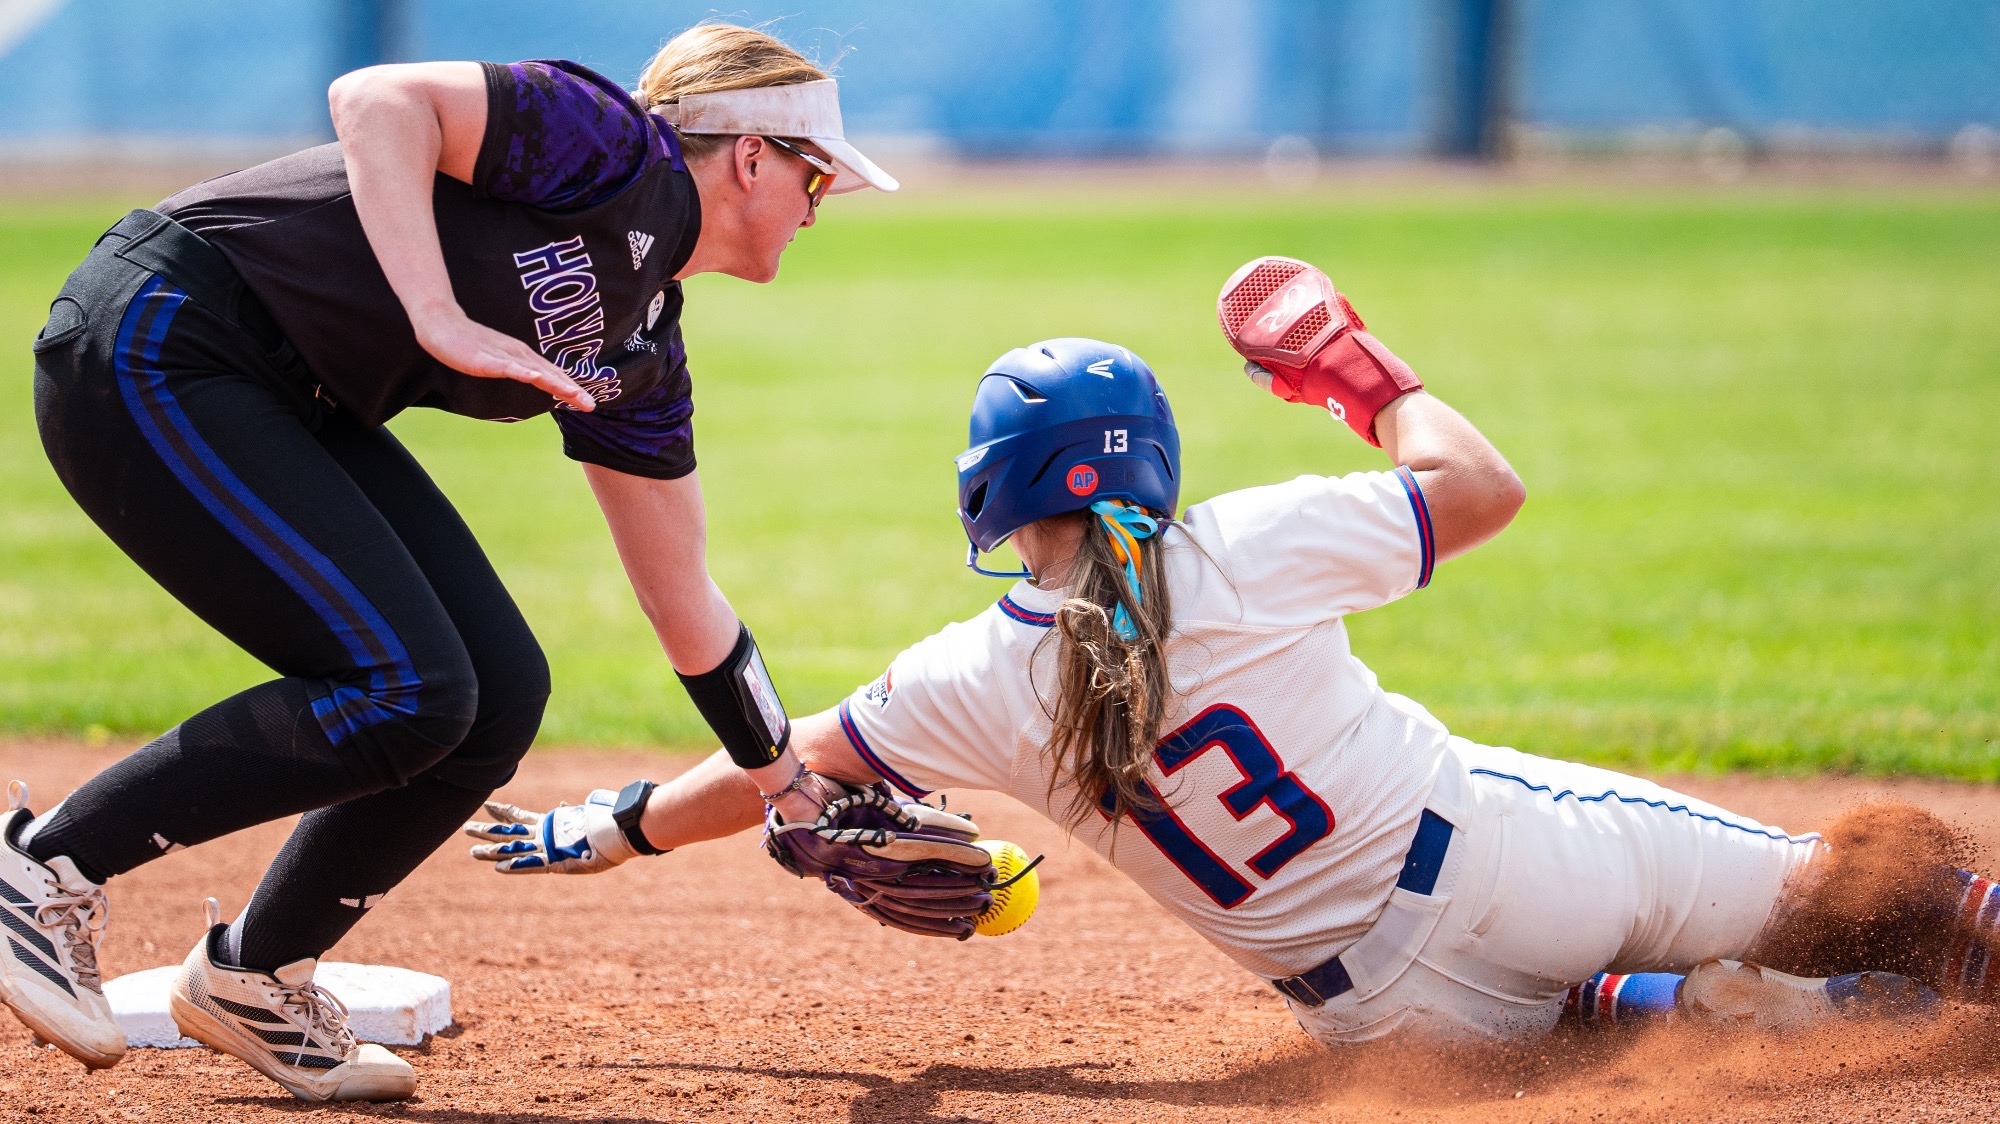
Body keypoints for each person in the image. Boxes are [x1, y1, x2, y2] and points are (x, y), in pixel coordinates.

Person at [468, 258, 1998, 1046]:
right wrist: (1360, 375)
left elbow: (774, 766)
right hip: (1517, 867)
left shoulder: (960, 683)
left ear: (993, 494)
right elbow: (1482, 488)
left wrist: (611, 826)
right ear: (1153, 463)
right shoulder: (1247, 546)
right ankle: (1812, 961)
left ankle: (1667, 1012)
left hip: (1383, 1018)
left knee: (1556, 1025)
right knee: (1871, 887)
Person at [1, 22, 884, 1101]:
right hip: (162, 333)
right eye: (815, 177)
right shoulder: (614, 146)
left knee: (499, 695)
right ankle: (41, 865)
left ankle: (252, 974)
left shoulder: (640, 347)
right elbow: (376, 99)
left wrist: (788, 785)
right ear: (750, 156)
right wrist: (435, 315)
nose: (819, 206)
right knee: (409, 687)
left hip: (283, 391)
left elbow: (682, 598)